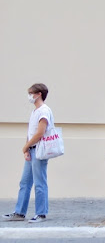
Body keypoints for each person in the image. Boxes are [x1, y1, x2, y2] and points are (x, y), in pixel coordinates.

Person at [2, 83, 54, 223]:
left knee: (39, 182)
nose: (30, 96)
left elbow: (40, 133)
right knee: (25, 182)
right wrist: (26, 149)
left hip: (39, 150)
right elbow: (31, 132)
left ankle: (41, 213)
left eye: (31, 93)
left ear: (39, 94)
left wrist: (25, 147)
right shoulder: (35, 111)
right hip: (32, 150)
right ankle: (19, 212)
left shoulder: (44, 111)